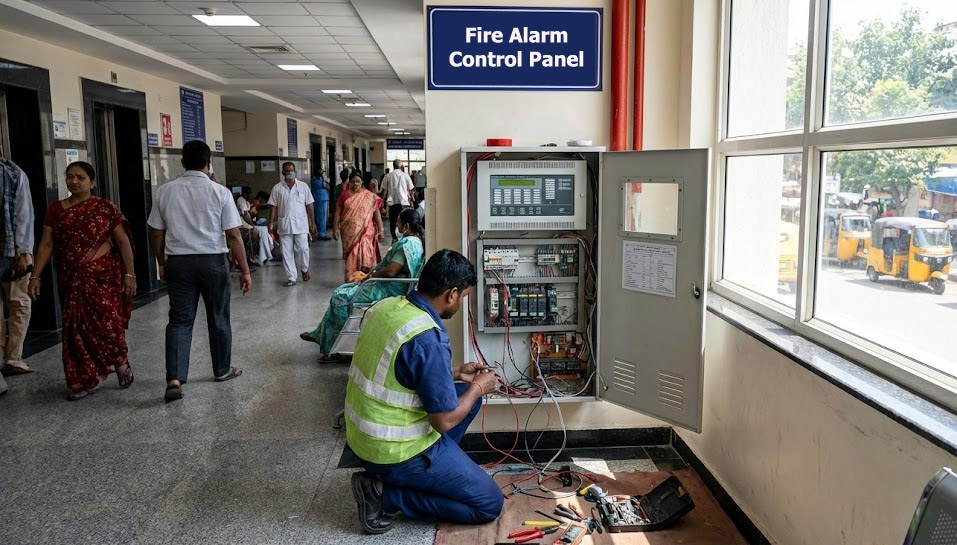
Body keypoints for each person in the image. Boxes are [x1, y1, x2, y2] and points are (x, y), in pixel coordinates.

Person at [347, 249, 502, 534]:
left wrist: (455, 372)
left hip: (362, 439)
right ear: (451, 294)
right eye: (464, 296)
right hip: (394, 451)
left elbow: (399, 368)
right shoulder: (428, 337)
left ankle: (432, 472)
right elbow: (442, 421)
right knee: (489, 504)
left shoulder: (388, 307)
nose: (461, 303)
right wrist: (480, 387)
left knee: (463, 392)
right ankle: (384, 494)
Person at [147, 140, 251, 403]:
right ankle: (221, 370)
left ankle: (175, 379)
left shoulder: (164, 192)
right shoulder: (220, 192)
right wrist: (246, 271)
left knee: (179, 320)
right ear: (209, 163)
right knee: (218, 317)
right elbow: (233, 235)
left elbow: (157, 233)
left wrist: (161, 262)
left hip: (179, 264)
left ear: (182, 162)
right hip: (213, 262)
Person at [29, 161, 135, 401]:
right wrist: (35, 275)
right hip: (71, 279)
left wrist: (130, 274)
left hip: (102, 278)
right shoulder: (56, 209)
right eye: (70, 177)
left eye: (80, 177)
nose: (74, 181)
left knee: (107, 323)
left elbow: (122, 242)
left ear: (92, 182)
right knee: (75, 329)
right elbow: (46, 244)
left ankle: (119, 358)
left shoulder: (105, 207)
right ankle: (84, 379)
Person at [301, 208, 426, 361]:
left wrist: (371, 276)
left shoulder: (405, 244)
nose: (396, 224)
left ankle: (336, 347)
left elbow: (391, 271)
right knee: (345, 289)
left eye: (399, 222)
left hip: (389, 287)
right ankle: (322, 334)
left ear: (406, 225)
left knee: (341, 298)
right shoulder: (416, 241)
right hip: (390, 284)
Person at [0, 157, 35, 397]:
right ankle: (11, 357)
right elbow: (25, 214)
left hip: (11, 253)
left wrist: (24, 251)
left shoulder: (13, 173)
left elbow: (24, 214)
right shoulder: (13, 173)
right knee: (18, 304)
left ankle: (12, 356)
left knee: (19, 302)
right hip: (12, 251)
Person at [269, 162, 317, 287]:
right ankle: (291, 277)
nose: (289, 172)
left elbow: (310, 205)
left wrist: (312, 222)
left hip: (301, 224)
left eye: (291, 170)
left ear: (295, 171)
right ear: (283, 173)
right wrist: (270, 223)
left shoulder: (303, 187)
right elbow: (273, 206)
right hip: (285, 224)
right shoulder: (277, 188)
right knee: (286, 252)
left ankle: (304, 269)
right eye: (287, 170)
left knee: (303, 248)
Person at [333, 173, 384, 283]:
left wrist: (381, 229)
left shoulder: (369, 196)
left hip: (367, 231)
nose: (355, 183)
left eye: (358, 181)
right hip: (348, 232)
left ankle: (365, 277)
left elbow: (377, 214)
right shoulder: (344, 196)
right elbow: (337, 213)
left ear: (362, 183)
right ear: (349, 183)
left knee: (366, 252)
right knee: (352, 253)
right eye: (353, 181)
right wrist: (335, 228)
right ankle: (352, 278)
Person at [382, 159, 414, 243]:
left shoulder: (388, 176)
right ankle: (404, 239)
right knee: (405, 222)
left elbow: (384, 191)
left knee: (393, 222)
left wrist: (382, 201)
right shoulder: (406, 175)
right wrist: (412, 198)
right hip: (404, 204)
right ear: (401, 166)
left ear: (393, 166)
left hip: (393, 205)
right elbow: (411, 189)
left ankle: (394, 239)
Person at [311, 167, 331, 240]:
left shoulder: (321, 179)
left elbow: (328, 187)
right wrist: (325, 183)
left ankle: (323, 232)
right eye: (321, 173)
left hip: (324, 199)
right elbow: (324, 185)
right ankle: (321, 233)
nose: (322, 174)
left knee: (324, 216)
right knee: (320, 216)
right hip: (319, 200)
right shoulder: (314, 180)